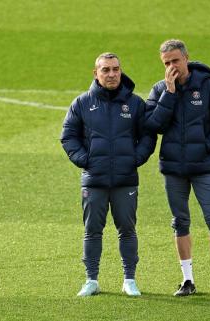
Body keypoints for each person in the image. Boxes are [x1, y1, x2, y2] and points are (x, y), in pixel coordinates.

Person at [145, 39, 210, 298]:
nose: (172, 66)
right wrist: (170, 93)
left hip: (203, 167)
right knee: (180, 222)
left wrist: (207, 146)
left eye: (175, 60)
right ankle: (187, 281)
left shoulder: (208, 87)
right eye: (166, 63)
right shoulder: (160, 90)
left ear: (186, 58)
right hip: (173, 169)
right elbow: (153, 124)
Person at [60, 53, 156, 297]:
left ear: (121, 71)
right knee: (92, 230)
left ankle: (129, 280)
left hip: (125, 180)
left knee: (127, 229)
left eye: (115, 69)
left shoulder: (135, 104)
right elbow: (68, 136)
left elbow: (148, 136)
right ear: (96, 73)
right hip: (94, 180)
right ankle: (91, 280)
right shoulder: (81, 103)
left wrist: (135, 160)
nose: (111, 74)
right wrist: (85, 161)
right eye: (106, 70)